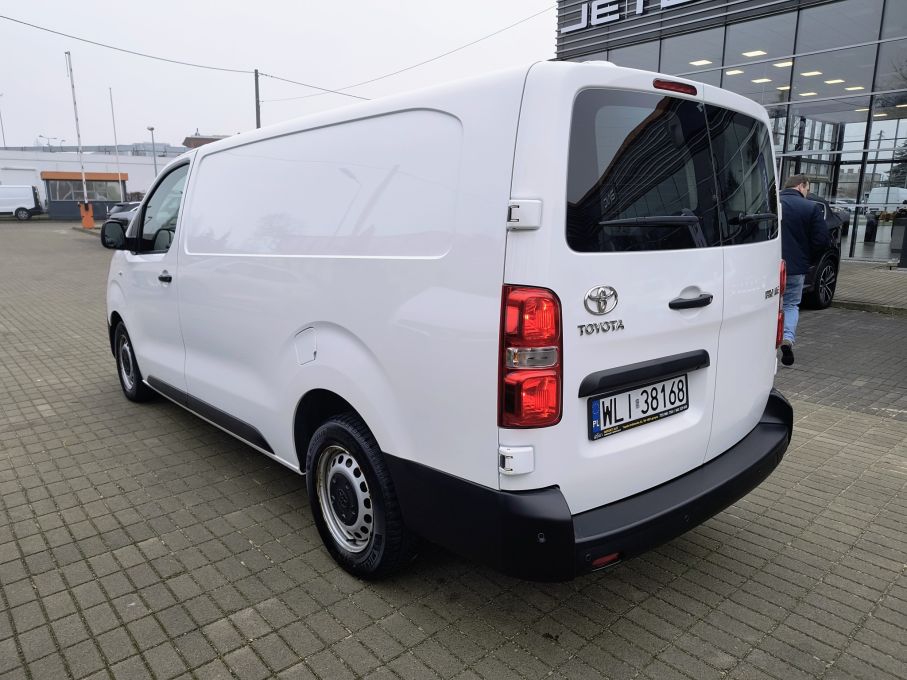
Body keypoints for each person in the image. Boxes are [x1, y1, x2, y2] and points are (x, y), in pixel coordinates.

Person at [778, 174, 829, 366]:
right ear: (801, 186)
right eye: (807, 189)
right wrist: (807, 259)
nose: (807, 192)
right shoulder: (810, 207)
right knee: (791, 304)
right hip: (795, 267)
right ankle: (787, 338)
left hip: (766, 265)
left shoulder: (771, 204)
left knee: (767, 304)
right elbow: (821, 241)